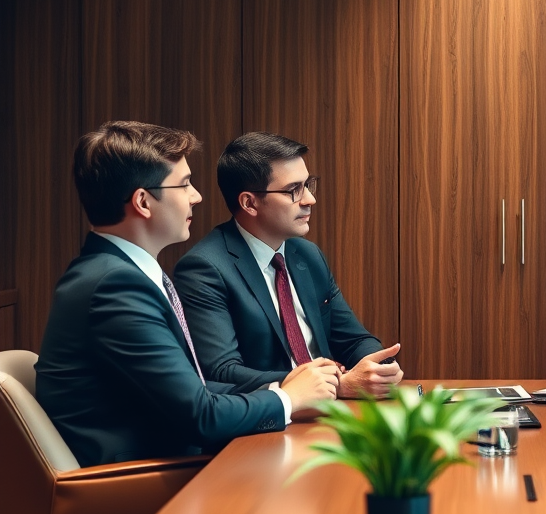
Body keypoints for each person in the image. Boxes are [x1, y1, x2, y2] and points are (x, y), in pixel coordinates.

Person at [36, 122, 341, 468]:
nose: (196, 195)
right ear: (143, 202)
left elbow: (192, 390)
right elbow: (201, 416)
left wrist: (287, 390)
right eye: (183, 184)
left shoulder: (117, 272)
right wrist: (288, 398)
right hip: (136, 484)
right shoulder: (114, 285)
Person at [174, 132, 402, 398]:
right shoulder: (204, 268)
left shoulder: (307, 254)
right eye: (294, 190)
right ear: (249, 202)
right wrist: (332, 384)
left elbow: (354, 339)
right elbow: (222, 370)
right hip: (268, 418)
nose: (309, 200)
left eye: (308, 185)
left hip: (334, 409)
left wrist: (376, 366)